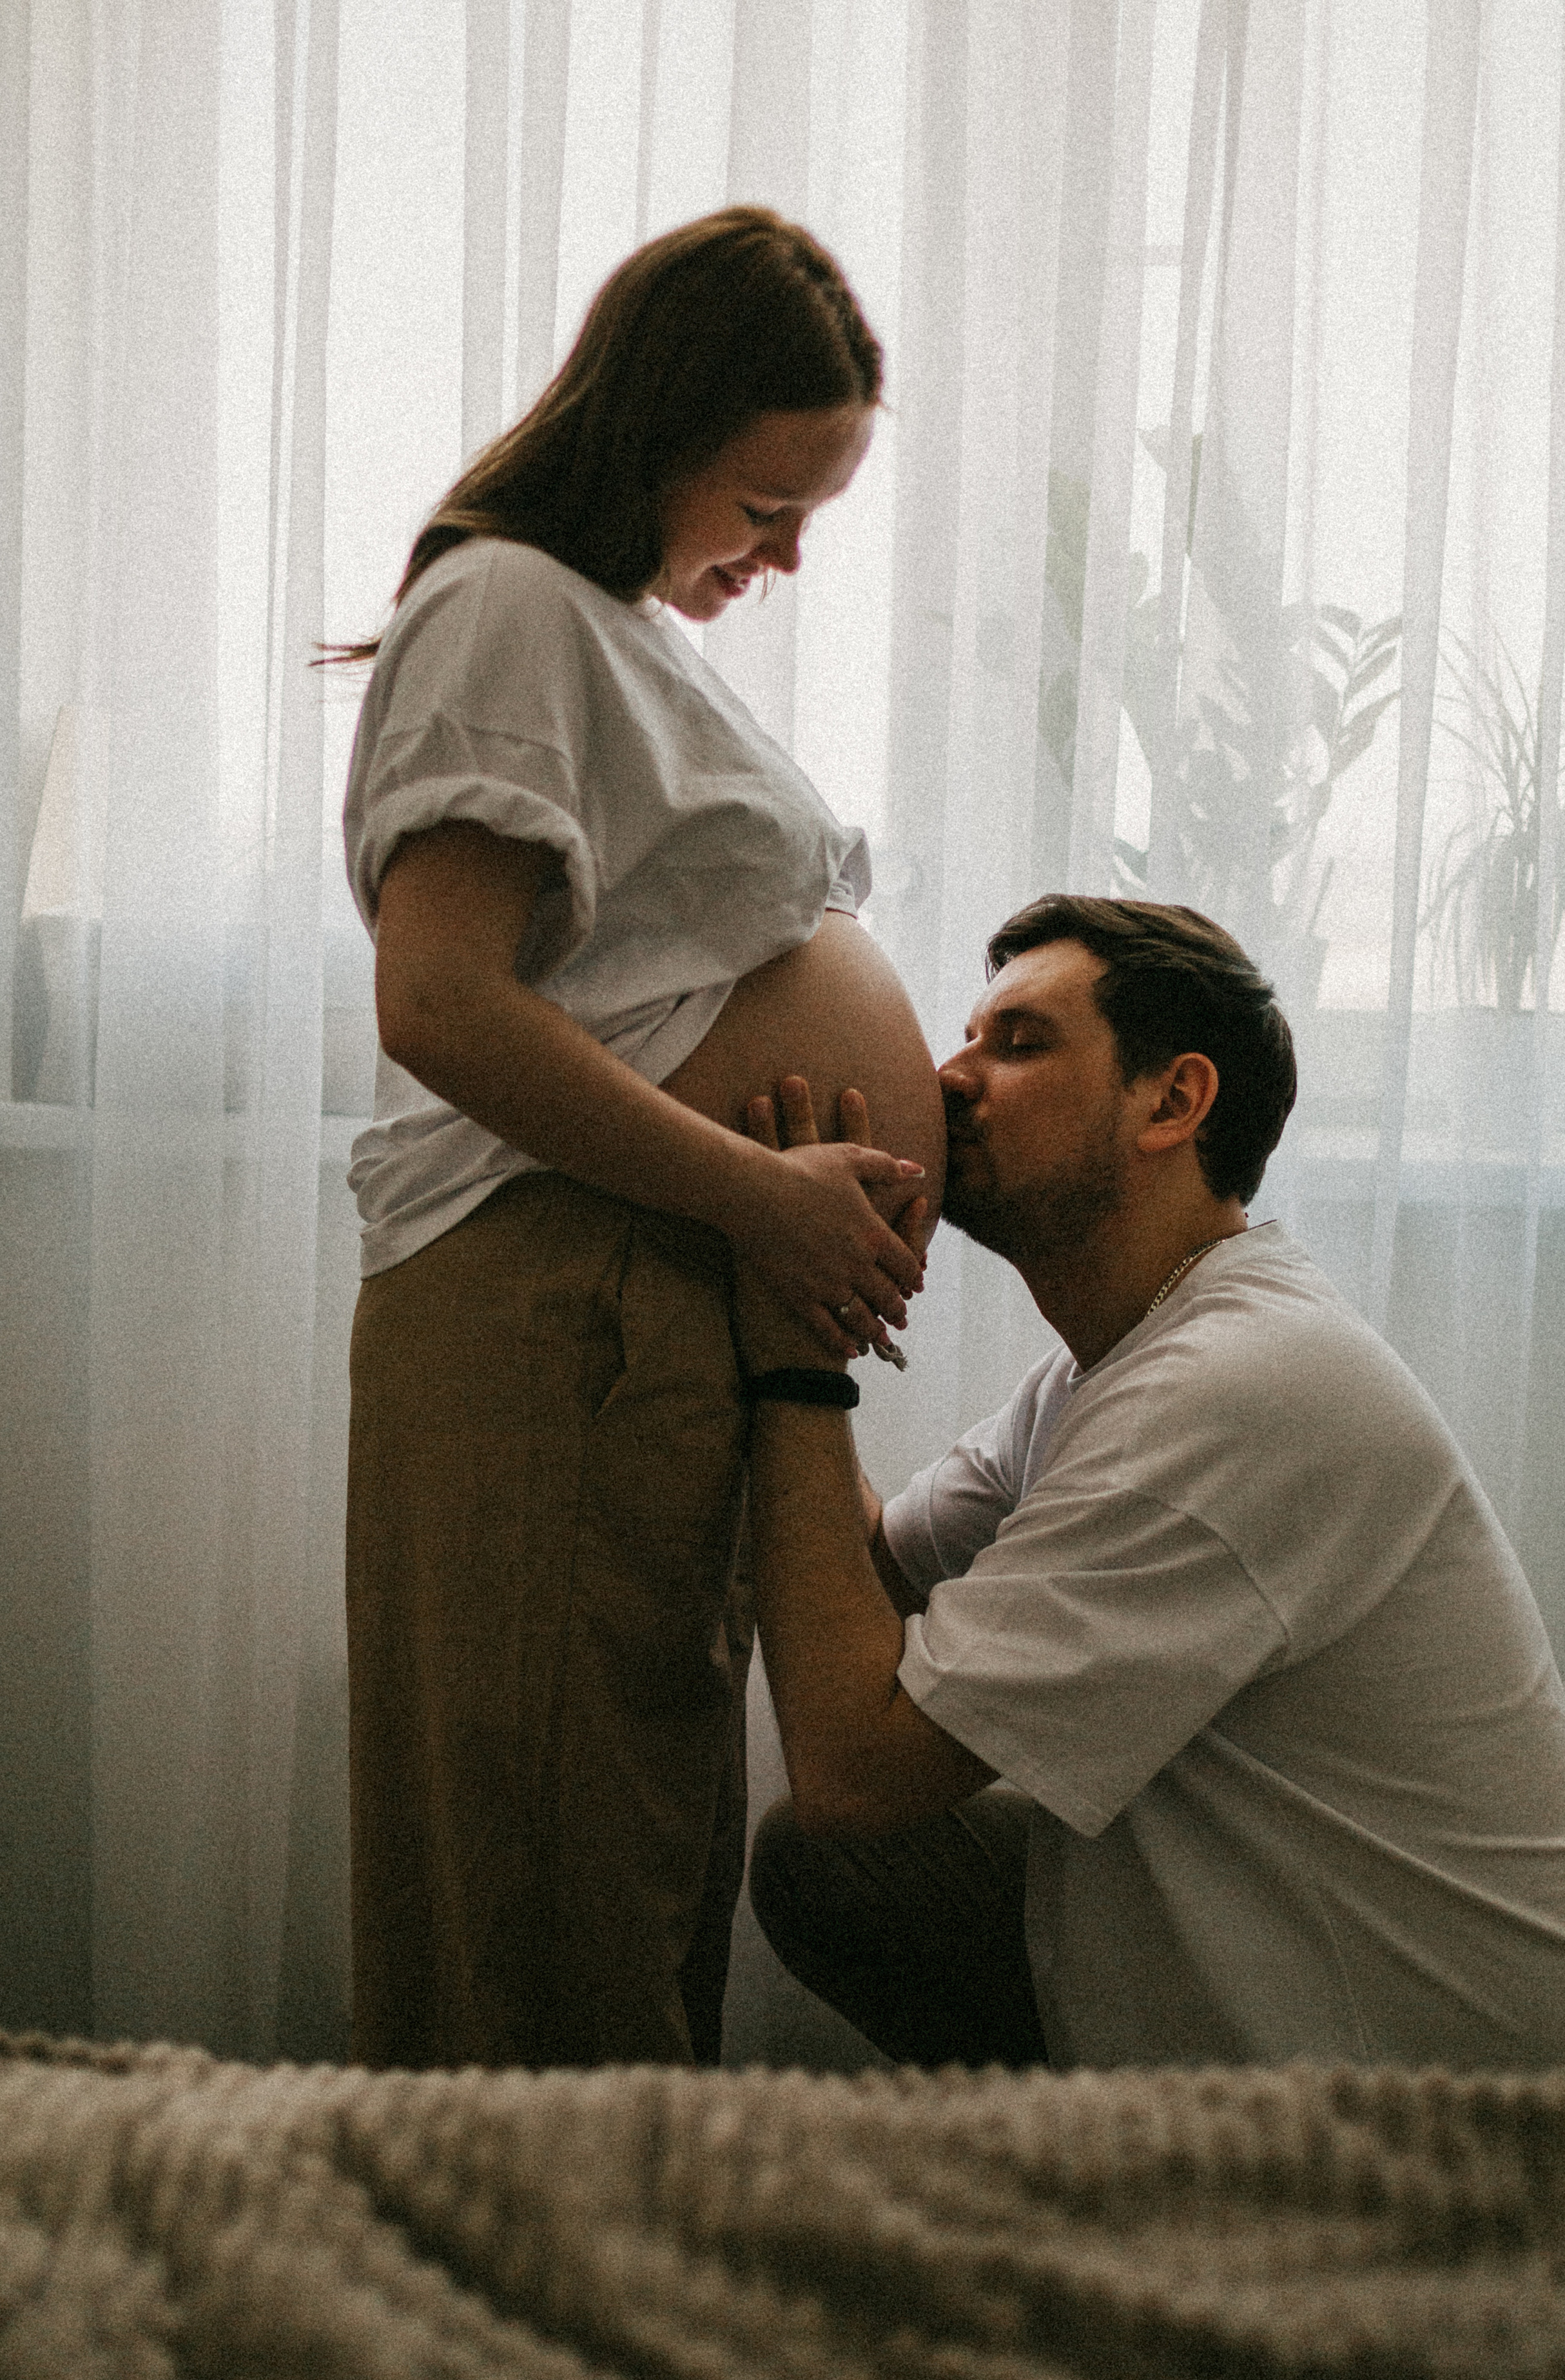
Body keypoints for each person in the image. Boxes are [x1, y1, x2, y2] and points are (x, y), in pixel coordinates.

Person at [338, 206, 946, 2072]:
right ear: (658, 426)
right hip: (559, 1306)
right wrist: (767, 1198)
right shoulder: (511, 606)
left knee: (618, 1878)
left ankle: (592, 2255)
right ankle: (529, 2264)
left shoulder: (593, 626)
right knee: (552, 1915)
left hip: (624, 1312)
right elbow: (441, 1002)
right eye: (765, 507)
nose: (781, 559)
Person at [741, 896, 1565, 2071]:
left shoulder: (1236, 1388)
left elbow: (856, 1770)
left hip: (1466, 2126)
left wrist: (795, 1345)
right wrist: (779, 1229)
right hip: (1306, 2003)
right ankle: (1103, 2132)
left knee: (847, 1832)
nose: (949, 1077)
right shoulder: (1118, 1363)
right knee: (832, 1874)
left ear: (1172, 1103)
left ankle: (1163, 2160)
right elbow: (878, 1574)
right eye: (967, 1039)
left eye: (1018, 1043)